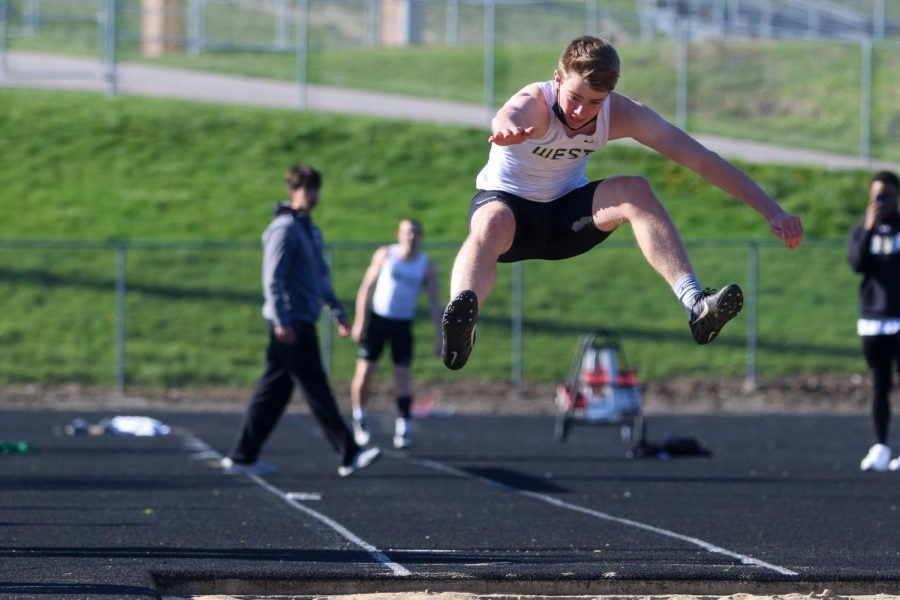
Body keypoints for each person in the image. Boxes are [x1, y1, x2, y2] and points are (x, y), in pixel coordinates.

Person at [441, 35, 804, 371]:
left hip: (568, 219)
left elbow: (702, 160)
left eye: (595, 103)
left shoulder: (622, 114)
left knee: (636, 189)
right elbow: (509, 113)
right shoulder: (535, 105)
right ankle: (462, 320)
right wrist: (506, 127)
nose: (582, 112)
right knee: (492, 221)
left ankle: (696, 305)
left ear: (609, 95)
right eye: (574, 98)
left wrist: (772, 209)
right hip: (510, 213)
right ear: (557, 80)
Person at [221, 165, 380, 477]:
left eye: (315, 188)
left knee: (274, 392)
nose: (312, 195)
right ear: (292, 191)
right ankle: (349, 452)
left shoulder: (310, 229)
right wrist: (281, 319)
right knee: (316, 387)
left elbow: (320, 277)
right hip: (291, 322)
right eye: (306, 188)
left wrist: (336, 310)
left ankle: (243, 455)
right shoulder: (283, 229)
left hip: (303, 318)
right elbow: (273, 279)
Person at [350, 219, 443, 449]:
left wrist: (440, 336)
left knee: (402, 376)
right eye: (407, 232)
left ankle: (404, 427)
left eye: (415, 232)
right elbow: (366, 288)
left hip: (403, 324)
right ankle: (359, 416)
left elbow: (434, 304)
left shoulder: (425, 266)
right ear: (399, 234)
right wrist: (360, 321)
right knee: (365, 373)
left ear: (420, 236)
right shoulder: (385, 255)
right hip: (378, 321)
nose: (411, 236)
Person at [849, 170, 900, 472]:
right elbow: (857, 263)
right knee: (879, 385)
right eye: (878, 195)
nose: (883, 201)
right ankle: (880, 445)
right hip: (873, 320)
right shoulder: (861, 231)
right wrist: (869, 228)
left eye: (888, 195)